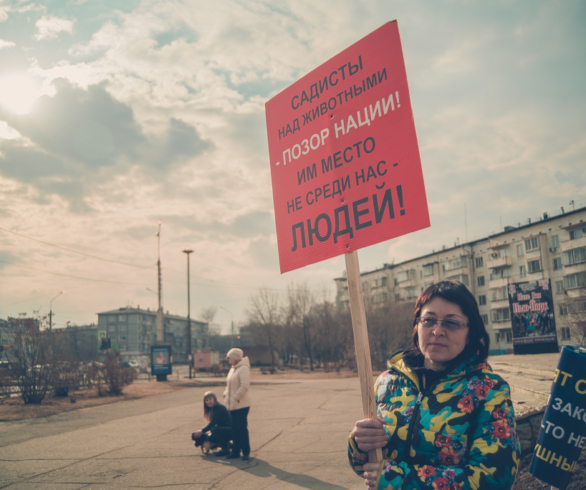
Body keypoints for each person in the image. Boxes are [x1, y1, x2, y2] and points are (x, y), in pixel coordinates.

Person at [349, 281, 520, 490]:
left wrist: (399, 481)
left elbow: (494, 480)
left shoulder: (489, 391)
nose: (437, 331)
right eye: (428, 320)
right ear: (417, 326)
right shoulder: (388, 382)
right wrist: (358, 445)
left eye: (451, 323)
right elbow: (368, 468)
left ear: (470, 333)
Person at [223, 348, 252, 461]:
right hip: (232, 404)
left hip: (242, 404)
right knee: (234, 429)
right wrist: (225, 394)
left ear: (235, 358)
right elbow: (229, 385)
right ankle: (235, 451)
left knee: (242, 429)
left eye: (229, 358)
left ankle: (245, 452)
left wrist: (235, 397)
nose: (228, 361)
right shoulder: (233, 369)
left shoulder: (244, 368)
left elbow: (244, 386)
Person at [191, 391, 232, 456]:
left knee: (213, 429)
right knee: (203, 434)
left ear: (214, 399)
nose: (208, 401)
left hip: (231, 430)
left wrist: (202, 431)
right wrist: (202, 431)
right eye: (206, 400)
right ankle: (231, 445)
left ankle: (225, 449)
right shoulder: (213, 408)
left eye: (210, 399)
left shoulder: (218, 407)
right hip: (225, 430)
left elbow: (213, 423)